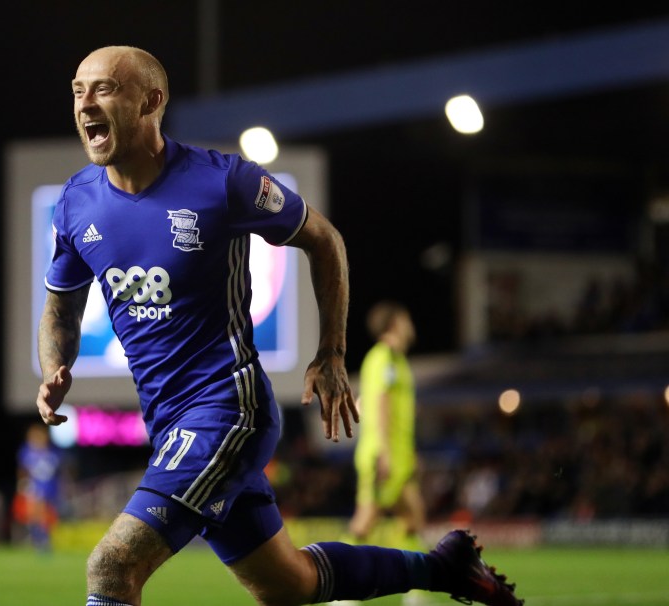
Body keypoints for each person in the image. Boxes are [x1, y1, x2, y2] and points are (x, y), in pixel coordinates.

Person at [36, 45, 522, 606]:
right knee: (290, 584)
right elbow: (60, 303)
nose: (85, 104)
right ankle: (445, 567)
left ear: (152, 101)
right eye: (78, 91)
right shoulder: (76, 203)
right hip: (169, 422)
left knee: (111, 567)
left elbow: (325, 240)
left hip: (226, 408)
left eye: (103, 89)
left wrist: (332, 353)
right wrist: (55, 366)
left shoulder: (222, 182)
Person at [344, 301, 427, 606]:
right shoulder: (386, 357)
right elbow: (379, 402)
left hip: (398, 455)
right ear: (394, 324)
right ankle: (341, 590)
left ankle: (415, 593)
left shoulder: (394, 360)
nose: (409, 325)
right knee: (364, 523)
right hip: (385, 455)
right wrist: (385, 453)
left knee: (412, 519)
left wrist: (409, 452)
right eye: (405, 319)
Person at [13, 423, 62, 550]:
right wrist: (23, 484)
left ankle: (45, 539)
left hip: (50, 488)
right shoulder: (26, 451)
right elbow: (23, 470)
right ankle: (37, 539)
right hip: (34, 487)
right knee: (34, 514)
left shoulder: (53, 452)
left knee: (48, 516)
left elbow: (59, 470)